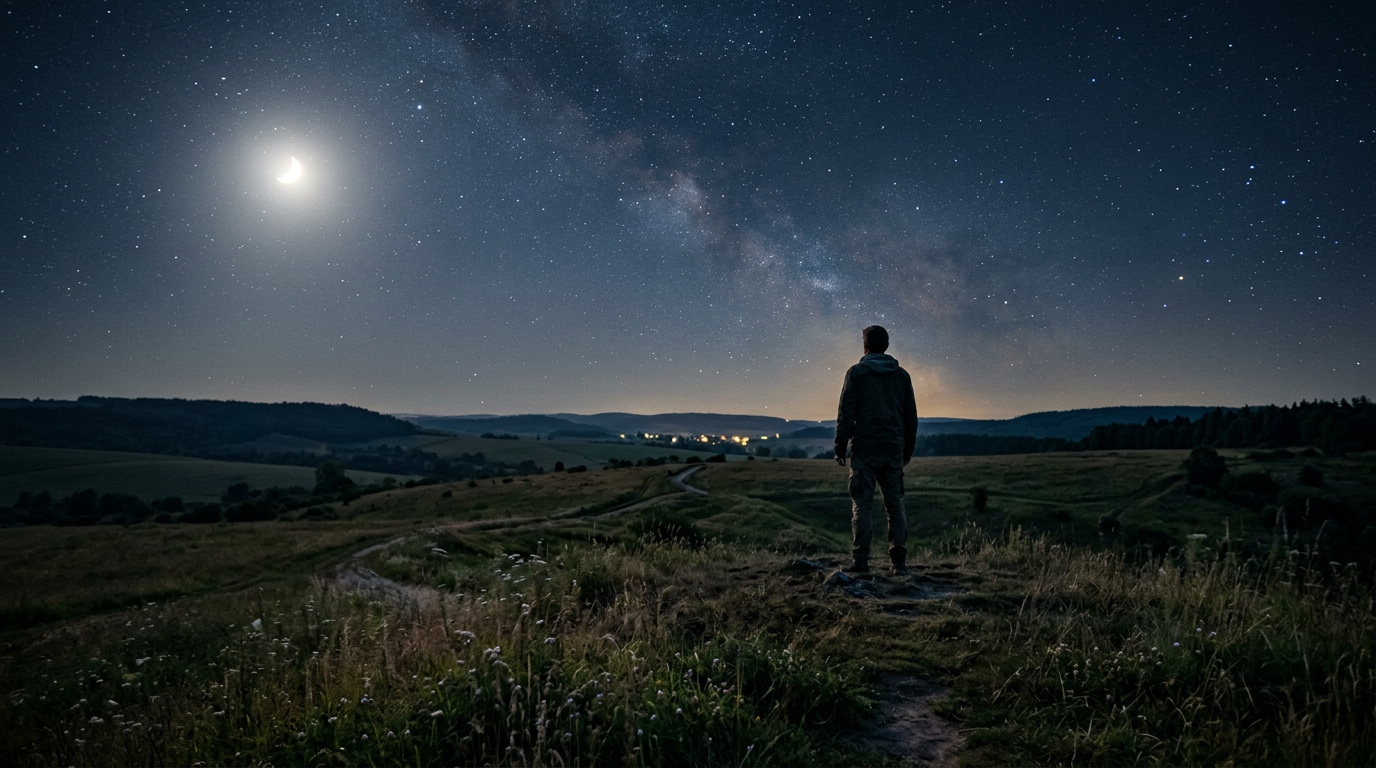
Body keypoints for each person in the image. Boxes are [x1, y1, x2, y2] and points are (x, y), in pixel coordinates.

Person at [833, 325, 918, 575]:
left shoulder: (857, 373)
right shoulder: (902, 376)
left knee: (862, 506)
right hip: (893, 449)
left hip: (865, 448)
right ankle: (899, 564)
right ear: (887, 345)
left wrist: (840, 445)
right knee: (895, 506)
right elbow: (910, 417)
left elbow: (846, 412)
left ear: (865, 345)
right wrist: (907, 449)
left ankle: (861, 562)